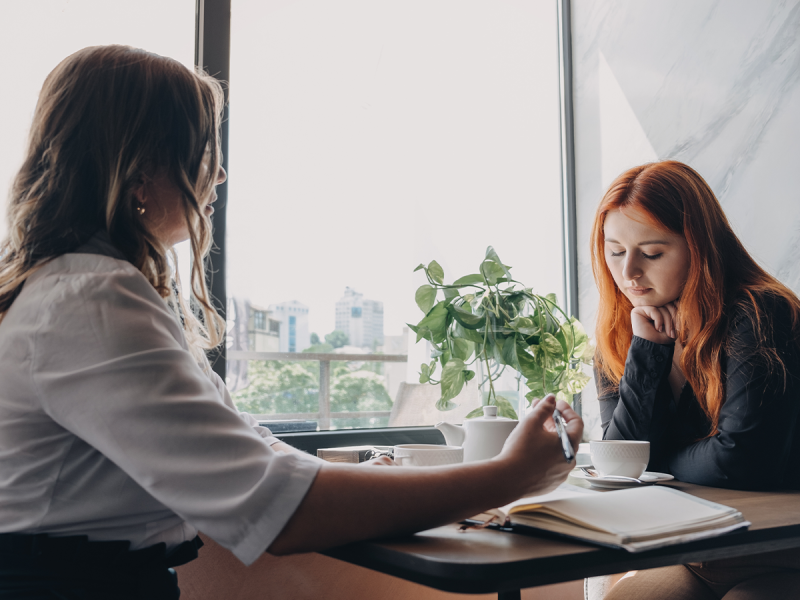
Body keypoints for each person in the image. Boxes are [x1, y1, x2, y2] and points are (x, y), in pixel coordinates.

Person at [0, 45, 582, 599]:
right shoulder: (92, 299)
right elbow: (276, 508)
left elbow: (248, 446)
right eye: (205, 152)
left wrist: (370, 476)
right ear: (142, 169)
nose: (219, 176)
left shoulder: (81, 288)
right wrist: (513, 476)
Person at [589, 160, 800, 599]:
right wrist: (647, 354)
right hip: (695, 554)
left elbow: (742, 461)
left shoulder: (759, 313)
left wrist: (657, 459)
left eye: (651, 253)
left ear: (699, 247)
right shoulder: (622, 332)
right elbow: (620, 462)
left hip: (778, 549)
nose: (629, 272)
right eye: (614, 251)